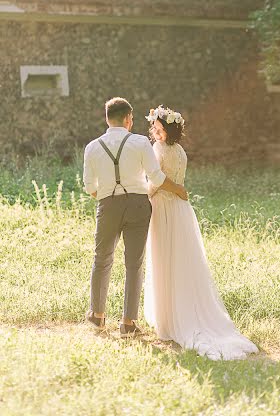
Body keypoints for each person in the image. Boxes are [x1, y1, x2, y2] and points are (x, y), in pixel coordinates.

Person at [144, 105, 258, 360]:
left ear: (169, 130)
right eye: (156, 130)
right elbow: (178, 183)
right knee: (181, 262)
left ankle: (169, 320)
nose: (158, 134)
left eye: (161, 130)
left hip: (163, 207)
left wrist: (142, 195)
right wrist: (176, 191)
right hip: (180, 210)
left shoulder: (159, 149)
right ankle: (178, 313)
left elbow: (155, 181)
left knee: (165, 260)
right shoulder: (180, 150)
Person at [83, 97, 188, 337]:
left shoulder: (92, 147)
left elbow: (90, 187)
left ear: (107, 119)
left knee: (102, 259)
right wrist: (180, 190)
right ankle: (128, 323)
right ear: (129, 119)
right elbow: (157, 178)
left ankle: (97, 316)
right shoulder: (140, 142)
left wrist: (109, 195)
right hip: (139, 205)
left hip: (107, 204)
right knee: (134, 263)